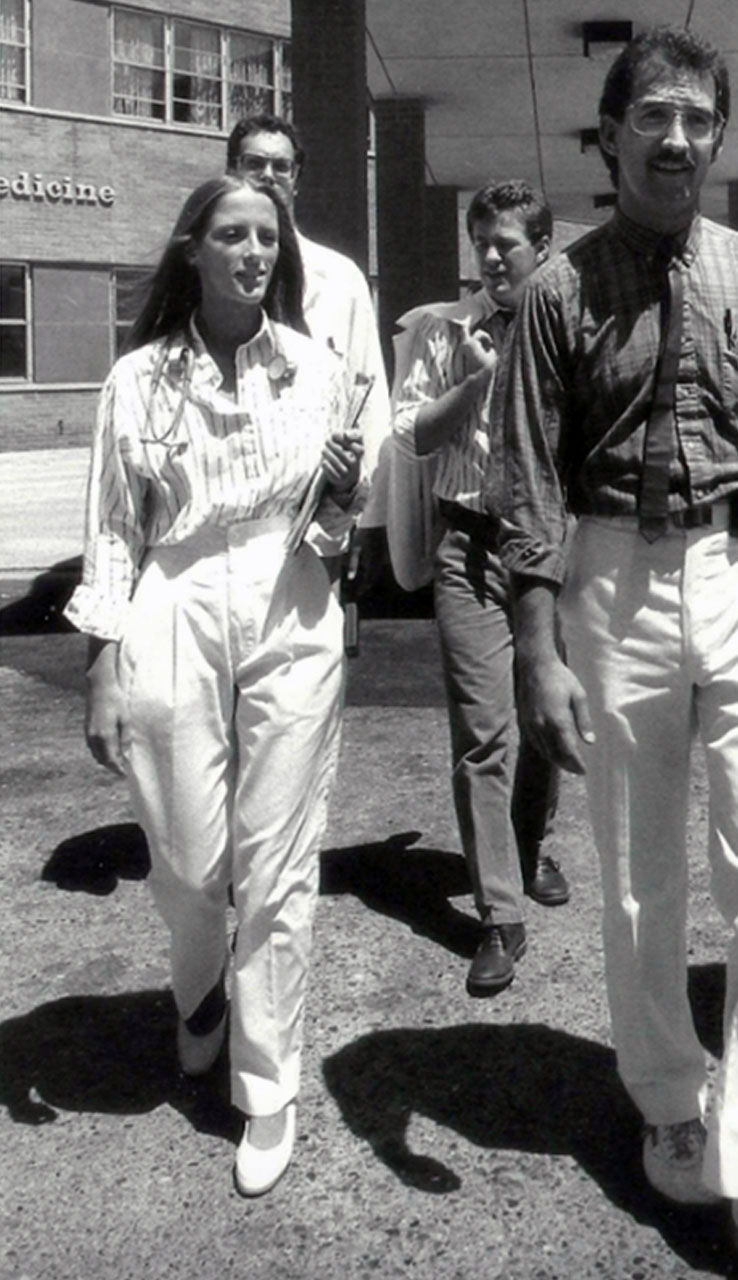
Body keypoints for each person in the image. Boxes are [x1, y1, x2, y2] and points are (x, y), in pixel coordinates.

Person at [486, 26, 738, 1280]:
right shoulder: (554, 291)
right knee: (640, 871)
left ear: (715, 132)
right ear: (610, 136)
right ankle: (663, 1092)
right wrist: (536, 650)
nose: (675, 138)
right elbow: (527, 482)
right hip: (615, 579)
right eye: (650, 115)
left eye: (695, 118)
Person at [65, 174, 365, 1198]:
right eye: (232, 235)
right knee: (189, 854)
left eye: (266, 238)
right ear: (192, 247)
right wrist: (101, 662)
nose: (252, 253)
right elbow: (111, 525)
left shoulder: (314, 367)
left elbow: (333, 531)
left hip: (290, 596)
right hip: (175, 591)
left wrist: (341, 500)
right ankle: (201, 991)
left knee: (276, 860)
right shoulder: (139, 377)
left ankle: (268, 1080)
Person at [390, 180, 568, 997]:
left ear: (542, 249)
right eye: (484, 245)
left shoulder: (570, 329)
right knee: (481, 733)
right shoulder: (444, 332)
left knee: (541, 716)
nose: (494, 258)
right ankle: (498, 914)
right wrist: (472, 384)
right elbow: (414, 436)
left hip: (546, 554)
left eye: (510, 245)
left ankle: (530, 847)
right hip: (467, 544)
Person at [225, 114, 394, 589]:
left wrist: (369, 518)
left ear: (296, 178)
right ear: (231, 172)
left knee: (313, 652)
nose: (269, 177)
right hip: (231, 508)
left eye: (282, 166)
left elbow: (370, 395)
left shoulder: (340, 279)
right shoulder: (207, 274)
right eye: (254, 164)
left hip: (320, 512)